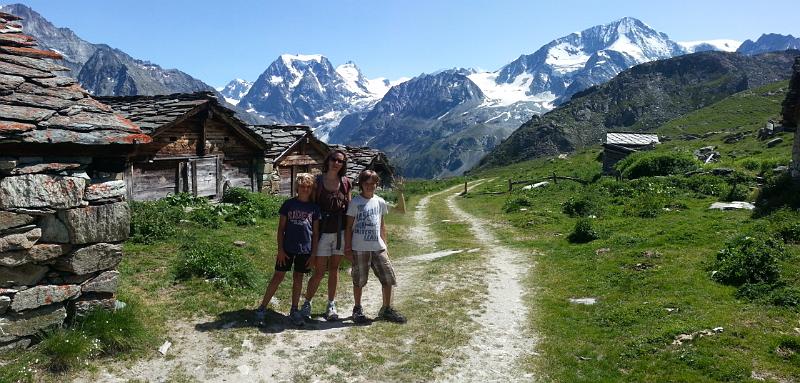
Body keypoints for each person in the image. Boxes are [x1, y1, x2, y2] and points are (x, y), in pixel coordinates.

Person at [256, 173, 320, 326]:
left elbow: (316, 233)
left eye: (308, 187)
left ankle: (294, 309)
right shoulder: (288, 204)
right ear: (297, 187)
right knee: (278, 276)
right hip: (287, 248)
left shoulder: (314, 208)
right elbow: (281, 229)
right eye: (302, 186)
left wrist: (313, 254)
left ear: (311, 189)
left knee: (298, 278)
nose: (305, 189)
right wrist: (280, 250)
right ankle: (262, 307)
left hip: (305, 249)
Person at [345, 170, 406, 324]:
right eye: (366, 183)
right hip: (359, 247)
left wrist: (385, 245)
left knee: (388, 278)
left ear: (376, 185)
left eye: (373, 183)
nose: (370, 186)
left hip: (378, 247)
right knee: (359, 280)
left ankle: (387, 309)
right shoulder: (355, 203)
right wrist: (347, 248)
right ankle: (357, 309)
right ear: (361, 185)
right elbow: (348, 227)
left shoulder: (379, 201)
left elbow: (385, 223)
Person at [300, 150, 351, 321]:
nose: (337, 163)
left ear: (343, 165)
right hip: (321, 232)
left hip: (339, 232)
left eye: (341, 161)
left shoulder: (345, 183)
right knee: (320, 271)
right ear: (328, 160)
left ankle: (331, 304)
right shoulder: (318, 181)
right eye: (334, 159)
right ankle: (307, 303)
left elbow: (349, 208)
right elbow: (312, 206)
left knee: (334, 269)